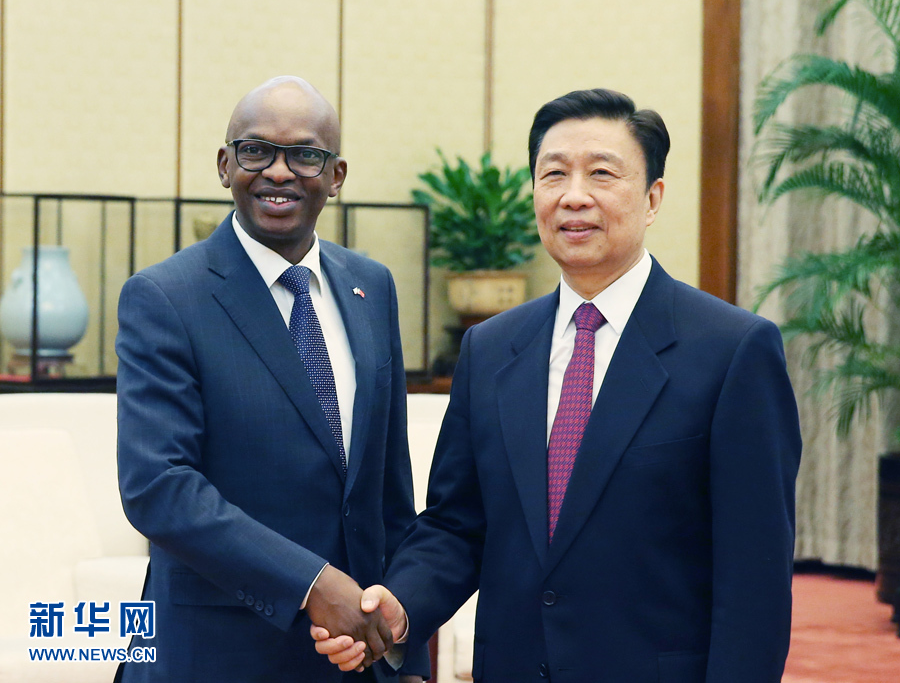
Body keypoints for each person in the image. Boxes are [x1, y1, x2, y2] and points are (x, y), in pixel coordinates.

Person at [312, 88, 802, 683]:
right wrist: (403, 606)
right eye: (554, 174)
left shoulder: (732, 351)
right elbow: (457, 524)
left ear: (652, 199)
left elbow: (754, 579)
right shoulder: (491, 348)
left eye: (602, 173)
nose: (574, 196)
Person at [115, 76, 427, 682]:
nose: (278, 172)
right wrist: (312, 584)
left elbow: (389, 490)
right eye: (256, 151)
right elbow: (159, 487)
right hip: (214, 656)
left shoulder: (373, 287)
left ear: (336, 176)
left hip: (352, 660)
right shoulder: (164, 296)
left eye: (305, 155)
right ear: (224, 165)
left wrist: (404, 656)